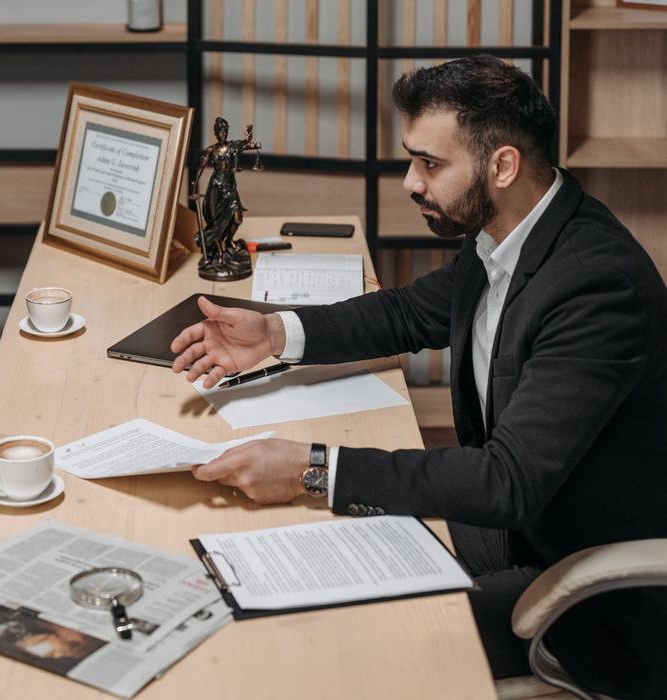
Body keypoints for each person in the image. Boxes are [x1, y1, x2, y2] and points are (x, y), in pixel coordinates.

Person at [171, 55, 667, 697]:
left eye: (430, 164)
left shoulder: (597, 285)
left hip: (595, 596)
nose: (410, 181)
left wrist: (309, 466)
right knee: (306, 556)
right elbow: (409, 312)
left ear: (503, 165)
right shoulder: (513, 232)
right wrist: (275, 334)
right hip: (528, 524)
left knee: (343, 651)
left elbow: (506, 480)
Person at [191, 116, 261, 279]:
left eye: (225, 130)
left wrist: (249, 135)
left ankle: (229, 241)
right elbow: (200, 169)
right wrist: (194, 187)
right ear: (216, 133)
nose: (223, 133)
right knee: (217, 223)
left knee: (237, 219)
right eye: (221, 131)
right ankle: (220, 253)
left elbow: (248, 144)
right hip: (216, 189)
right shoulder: (211, 150)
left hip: (230, 188)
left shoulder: (233, 147)